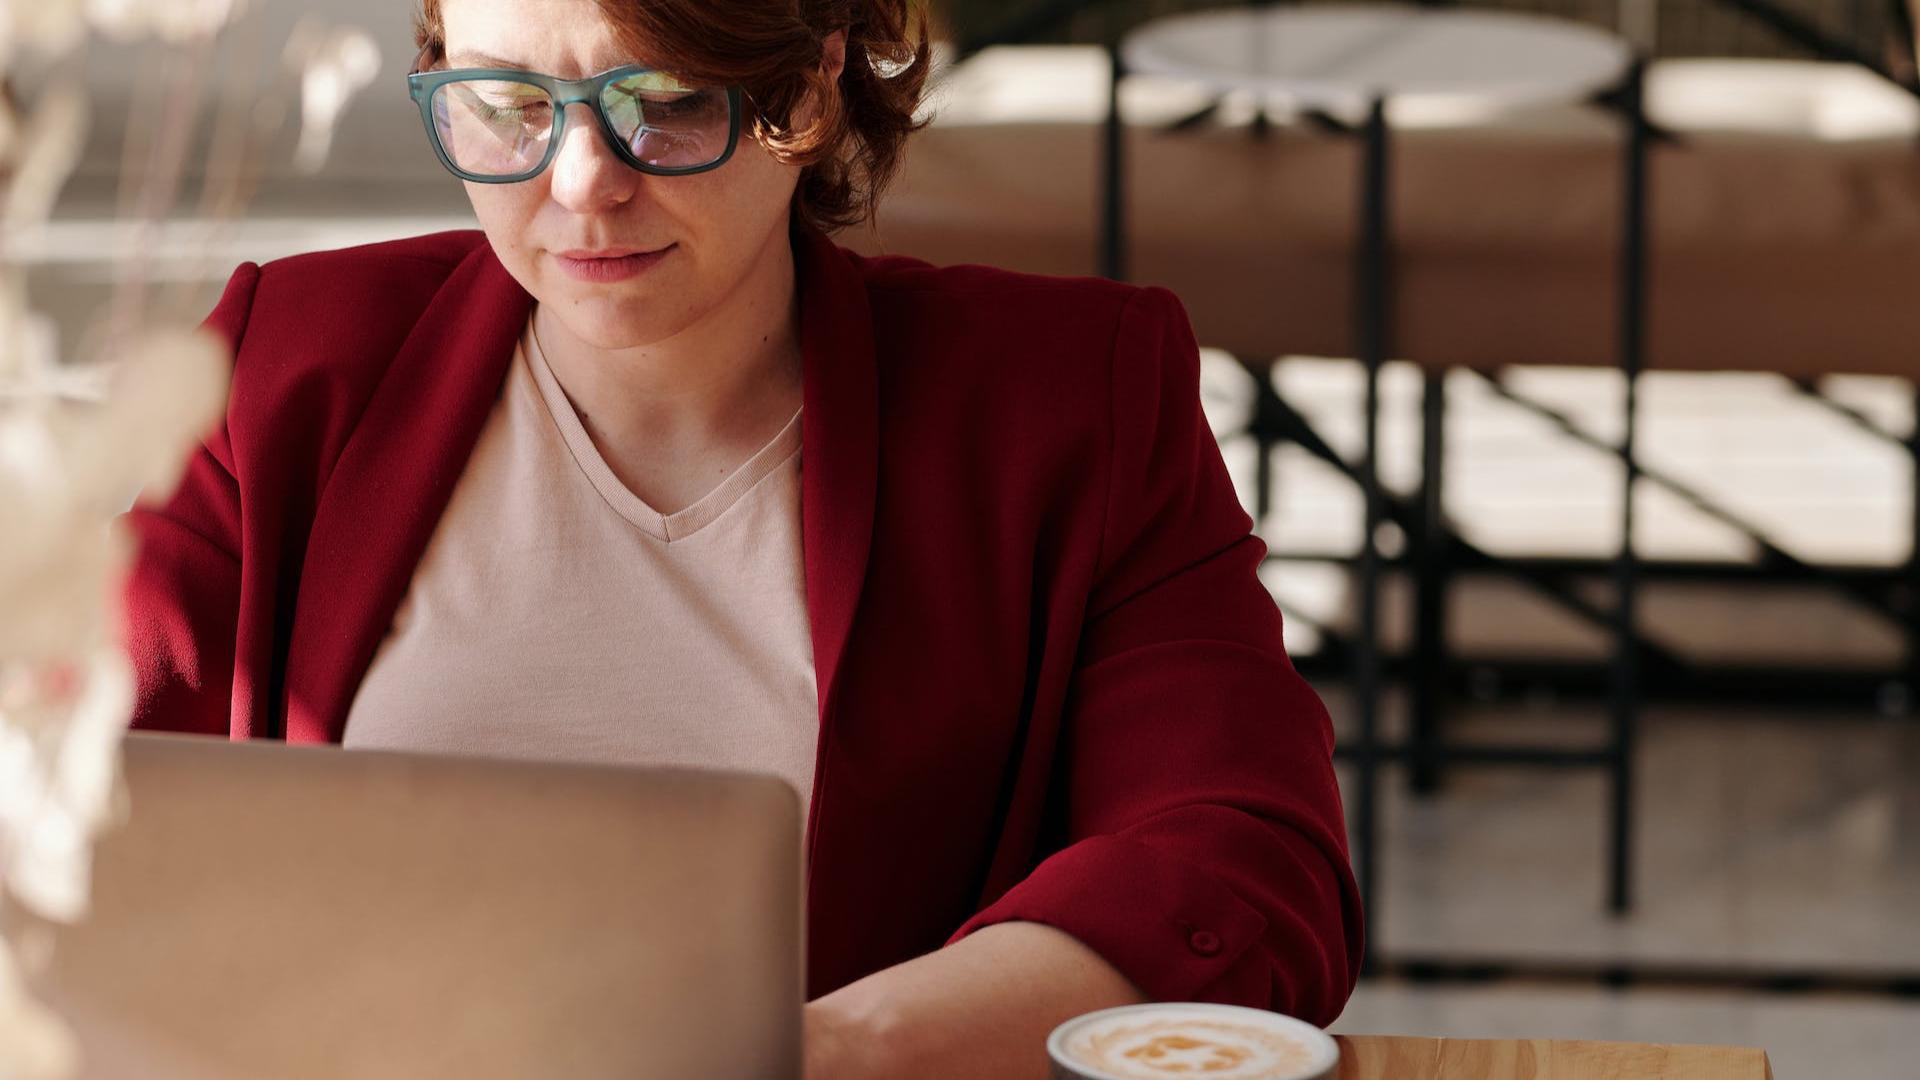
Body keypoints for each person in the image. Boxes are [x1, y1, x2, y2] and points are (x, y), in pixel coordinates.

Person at [120, 0, 1363, 1074]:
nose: (578, 184)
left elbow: (1246, 862)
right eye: (503, 103)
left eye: (660, 103)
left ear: (811, 89)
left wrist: (822, 1058)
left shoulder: (1068, 402)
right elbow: (66, 778)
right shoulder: (283, 366)